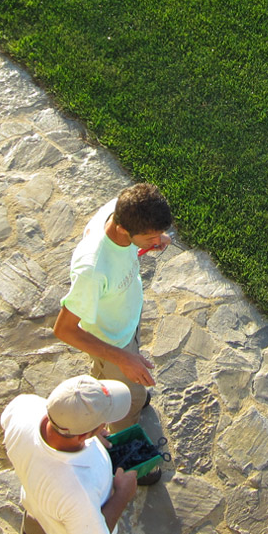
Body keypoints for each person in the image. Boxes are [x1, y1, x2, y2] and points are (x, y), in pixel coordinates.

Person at [53, 183, 172, 438]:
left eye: (160, 232)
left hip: (126, 322)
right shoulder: (92, 271)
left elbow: (126, 251)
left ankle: (122, 390)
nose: (159, 239)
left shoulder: (120, 210)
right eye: (151, 235)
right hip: (113, 341)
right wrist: (122, 358)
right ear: (122, 229)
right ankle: (125, 444)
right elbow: (63, 329)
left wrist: (151, 241)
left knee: (126, 387)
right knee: (124, 406)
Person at [0, 375, 139, 534]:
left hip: (36, 504)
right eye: (102, 423)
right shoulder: (78, 491)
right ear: (82, 436)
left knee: (35, 526)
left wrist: (89, 433)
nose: (105, 426)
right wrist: (122, 494)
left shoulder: (24, 407)